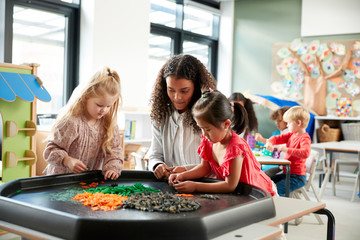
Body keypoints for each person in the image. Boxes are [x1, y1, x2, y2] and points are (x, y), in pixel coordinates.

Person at [168, 89, 276, 196]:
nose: (204, 134)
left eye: (207, 129)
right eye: (201, 128)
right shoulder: (208, 140)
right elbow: (204, 168)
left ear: (226, 124)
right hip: (239, 194)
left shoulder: (235, 147)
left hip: (260, 193)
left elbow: (230, 186)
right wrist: (182, 175)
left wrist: (195, 186)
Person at [43, 67, 123, 180]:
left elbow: (114, 150)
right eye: (99, 105)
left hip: (88, 183)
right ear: (86, 96)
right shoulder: (71, 122)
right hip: (61, 182)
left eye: (108, 106)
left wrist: (112, 168)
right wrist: (67, 161)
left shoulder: (109, 124)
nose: (104, 110)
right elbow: (50, 150)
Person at [148, 54, 217, 179]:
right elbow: (155, 155)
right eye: (171, 90)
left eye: (184, 91)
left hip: (205, 186)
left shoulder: (209, 116)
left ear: (196, 88)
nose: (177, 97)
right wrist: (157, 165)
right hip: (172, 187)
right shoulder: (161, 116)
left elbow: (216, 163)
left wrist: (185, 171)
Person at [265, 106, 311, 197]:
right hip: (287, 173)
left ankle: (280, 209)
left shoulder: (304, 138)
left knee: (276, 190)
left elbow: (305, 153)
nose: (287, 125)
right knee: (266, 182)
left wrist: (286, 149)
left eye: (289, 123)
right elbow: (276, 138)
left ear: (298, 123)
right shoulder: (291, 135)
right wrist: (269, 143)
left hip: (297, 177)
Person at [256, 106, 291, 176]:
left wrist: (262, 140)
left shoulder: (289, 133)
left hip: (286, 168)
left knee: (262, 176)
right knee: (261, 174)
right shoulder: (283, 132)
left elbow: (279, 145)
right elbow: (275, 141)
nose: (277, 123)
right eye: (276, 121)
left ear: (288, 121)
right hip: (281, 166)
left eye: (280, 121)